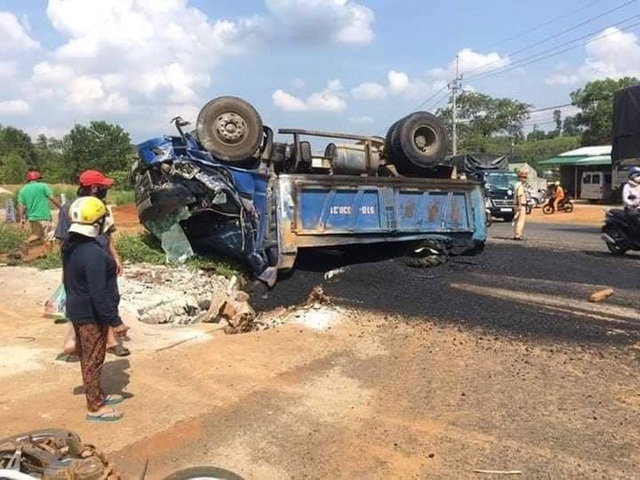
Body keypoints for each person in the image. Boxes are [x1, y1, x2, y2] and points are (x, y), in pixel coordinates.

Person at [62, 196, 129, 422]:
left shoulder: (72, 246)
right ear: (96, 223)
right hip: (90, 313)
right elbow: (98, 294)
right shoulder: (93, 254)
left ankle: (97, 394)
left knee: (91, 357)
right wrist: (115, 321)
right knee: (93, 359)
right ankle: (94, 407)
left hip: (78, 307)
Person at [55, 169, 129, 358]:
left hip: (102, 260)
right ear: (95, 188)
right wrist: (68, 267)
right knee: (91, 298)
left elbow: (108, 235)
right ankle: (87, 341)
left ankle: (107, 340)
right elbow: (64, 241)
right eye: (103, 187)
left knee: (110, 297)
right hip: (83, 261)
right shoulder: (70, 208)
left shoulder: (102, 206)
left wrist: (115, 257)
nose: (106, 190)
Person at [17, 171, 61, 251]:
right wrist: (62, 207)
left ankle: (26, 242)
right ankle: (49, 256)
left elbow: (21, 205)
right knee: (49, 237)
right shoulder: (43, 186)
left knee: (37, 235)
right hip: (44, 216)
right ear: (37, 179)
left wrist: (21, 218)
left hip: (32, 218)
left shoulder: (23, 190)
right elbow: (52, 198)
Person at [623, 166, 640, 234]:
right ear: (631, 176)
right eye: (637, 175)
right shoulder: (627, 186)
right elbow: (625, 199)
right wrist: (632, 204)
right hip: (631, 209)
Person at [512, 169, 528, 241]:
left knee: (517, 220)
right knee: (520, 220)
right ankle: (518, 235)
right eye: (523, 177)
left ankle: (516, 233)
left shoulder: (516, 185)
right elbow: (519, 196)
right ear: (519, 177)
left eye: (525, 177)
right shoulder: (520, 186)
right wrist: (520, 206)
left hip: (516, 204)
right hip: (520, 204)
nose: (524, 179)